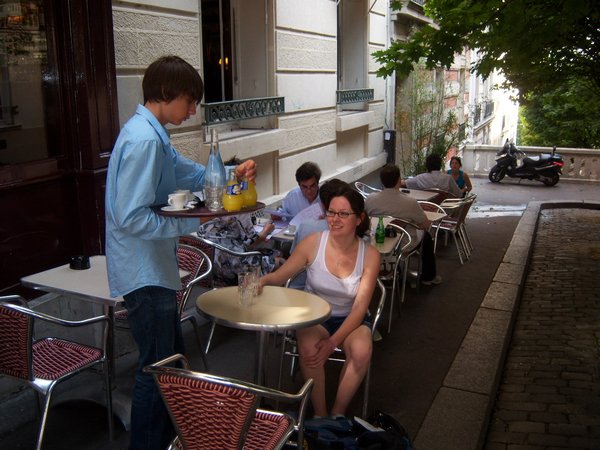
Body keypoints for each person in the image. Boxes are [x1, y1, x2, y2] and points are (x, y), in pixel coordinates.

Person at [105, 55, 256, 450]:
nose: (192, 111)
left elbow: (190, 172)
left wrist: (232, 170)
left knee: (168, 362)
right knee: (156, 369)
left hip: (151, 268)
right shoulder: (143, 140)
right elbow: (129, 217)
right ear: (166, 93)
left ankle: (167, 439)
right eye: (189, 101)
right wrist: (192, 222)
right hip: (145, 271)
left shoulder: (152, 134)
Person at [261, 185, 380, 418]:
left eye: (343, 214)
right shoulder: (314, 242)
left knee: (362, 350)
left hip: (351, 318)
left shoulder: (370, 255)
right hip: (316, 316)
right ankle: (320, 414)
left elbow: (360, 308)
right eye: (331, 213)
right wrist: (262, 281)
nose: (335, 220)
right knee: (308, 347)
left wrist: (332, 343)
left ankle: (337, 414)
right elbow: (281, 275)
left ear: (359, 219)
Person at [365, 164, 441, 285]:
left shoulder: (370, 199)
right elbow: (425, 224)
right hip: (404, 244)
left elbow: (364, 221)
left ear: (382, 181)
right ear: (398, 180)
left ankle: (391, 271)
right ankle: (428, 277)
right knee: (426, 237)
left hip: (376, 241)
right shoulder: (410, 202)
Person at [198, 214, 284, 285]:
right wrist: (265, 231)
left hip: (211, 272)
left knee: (277, 253)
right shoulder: (238, 216)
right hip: (235, 272)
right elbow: (250, 244)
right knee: (281, 260)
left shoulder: (203, 227)